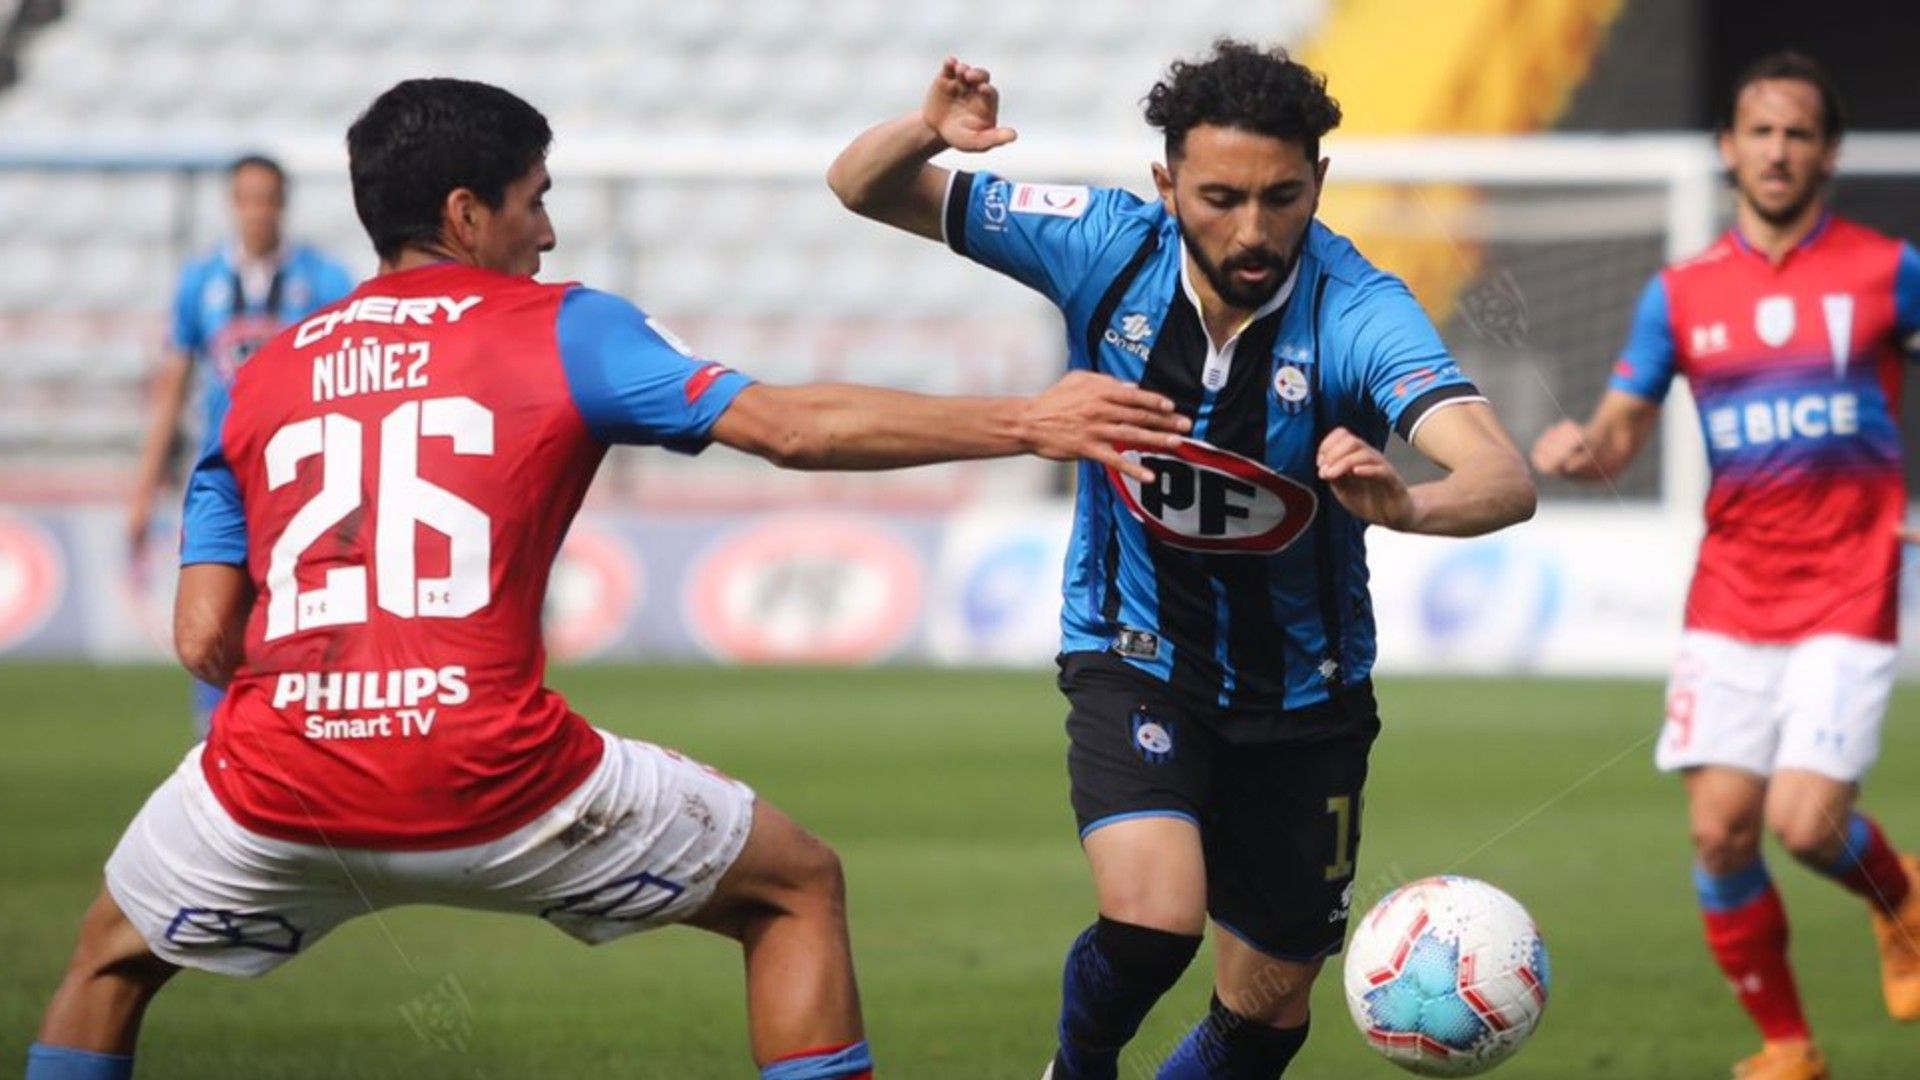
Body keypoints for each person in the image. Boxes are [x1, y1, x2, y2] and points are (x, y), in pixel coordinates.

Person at [26, 77, 1192, 1080]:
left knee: (107, 960)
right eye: (536, 202)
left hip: (276, 785)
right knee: (795, 891)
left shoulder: (267, 373)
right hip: (498, 775)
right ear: (465, 211)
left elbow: (202, 636)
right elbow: (787, 427)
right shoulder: (562, 327)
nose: (547, 234)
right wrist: (1025, 419)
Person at [830, 41, 1536, 1079]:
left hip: (1307, 692)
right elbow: (862, 187)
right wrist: (926, 132)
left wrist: (1407, 507)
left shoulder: (1357, 309)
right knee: (1155, 921)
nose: (1253, 230)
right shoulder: (1102, 247)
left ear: (1319, 183)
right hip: (1134, 646)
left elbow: (1501, 475)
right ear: (1165, 185)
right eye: (1219, 197)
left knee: (1265, 1012)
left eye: (1282, 197)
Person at [1532, 50, 1920, 1080]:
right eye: (1761, 130)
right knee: (1719, 834)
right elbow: (1620, 431)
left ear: (1829, 151)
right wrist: (1583, 450)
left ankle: (1904, 898)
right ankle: (1788, 1047)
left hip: (1851, 580)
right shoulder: (1681, 294)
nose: (1779, 150)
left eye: (1799, 132)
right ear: (1728, 148)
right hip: (1732, 592)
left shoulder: (1889, 270)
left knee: (1803, 822)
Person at [128, 154, 355, 736]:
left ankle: (302, 737)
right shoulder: (200, 283)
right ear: (234, 204)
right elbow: (173, 388)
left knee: (300, 612)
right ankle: (220, 745)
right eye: (247, 198)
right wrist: (145, 485)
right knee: (214, 615)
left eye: (268, 198)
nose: (257, 211)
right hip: (224, 477)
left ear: (283, 203)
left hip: (302, 478)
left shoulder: (325, 281)